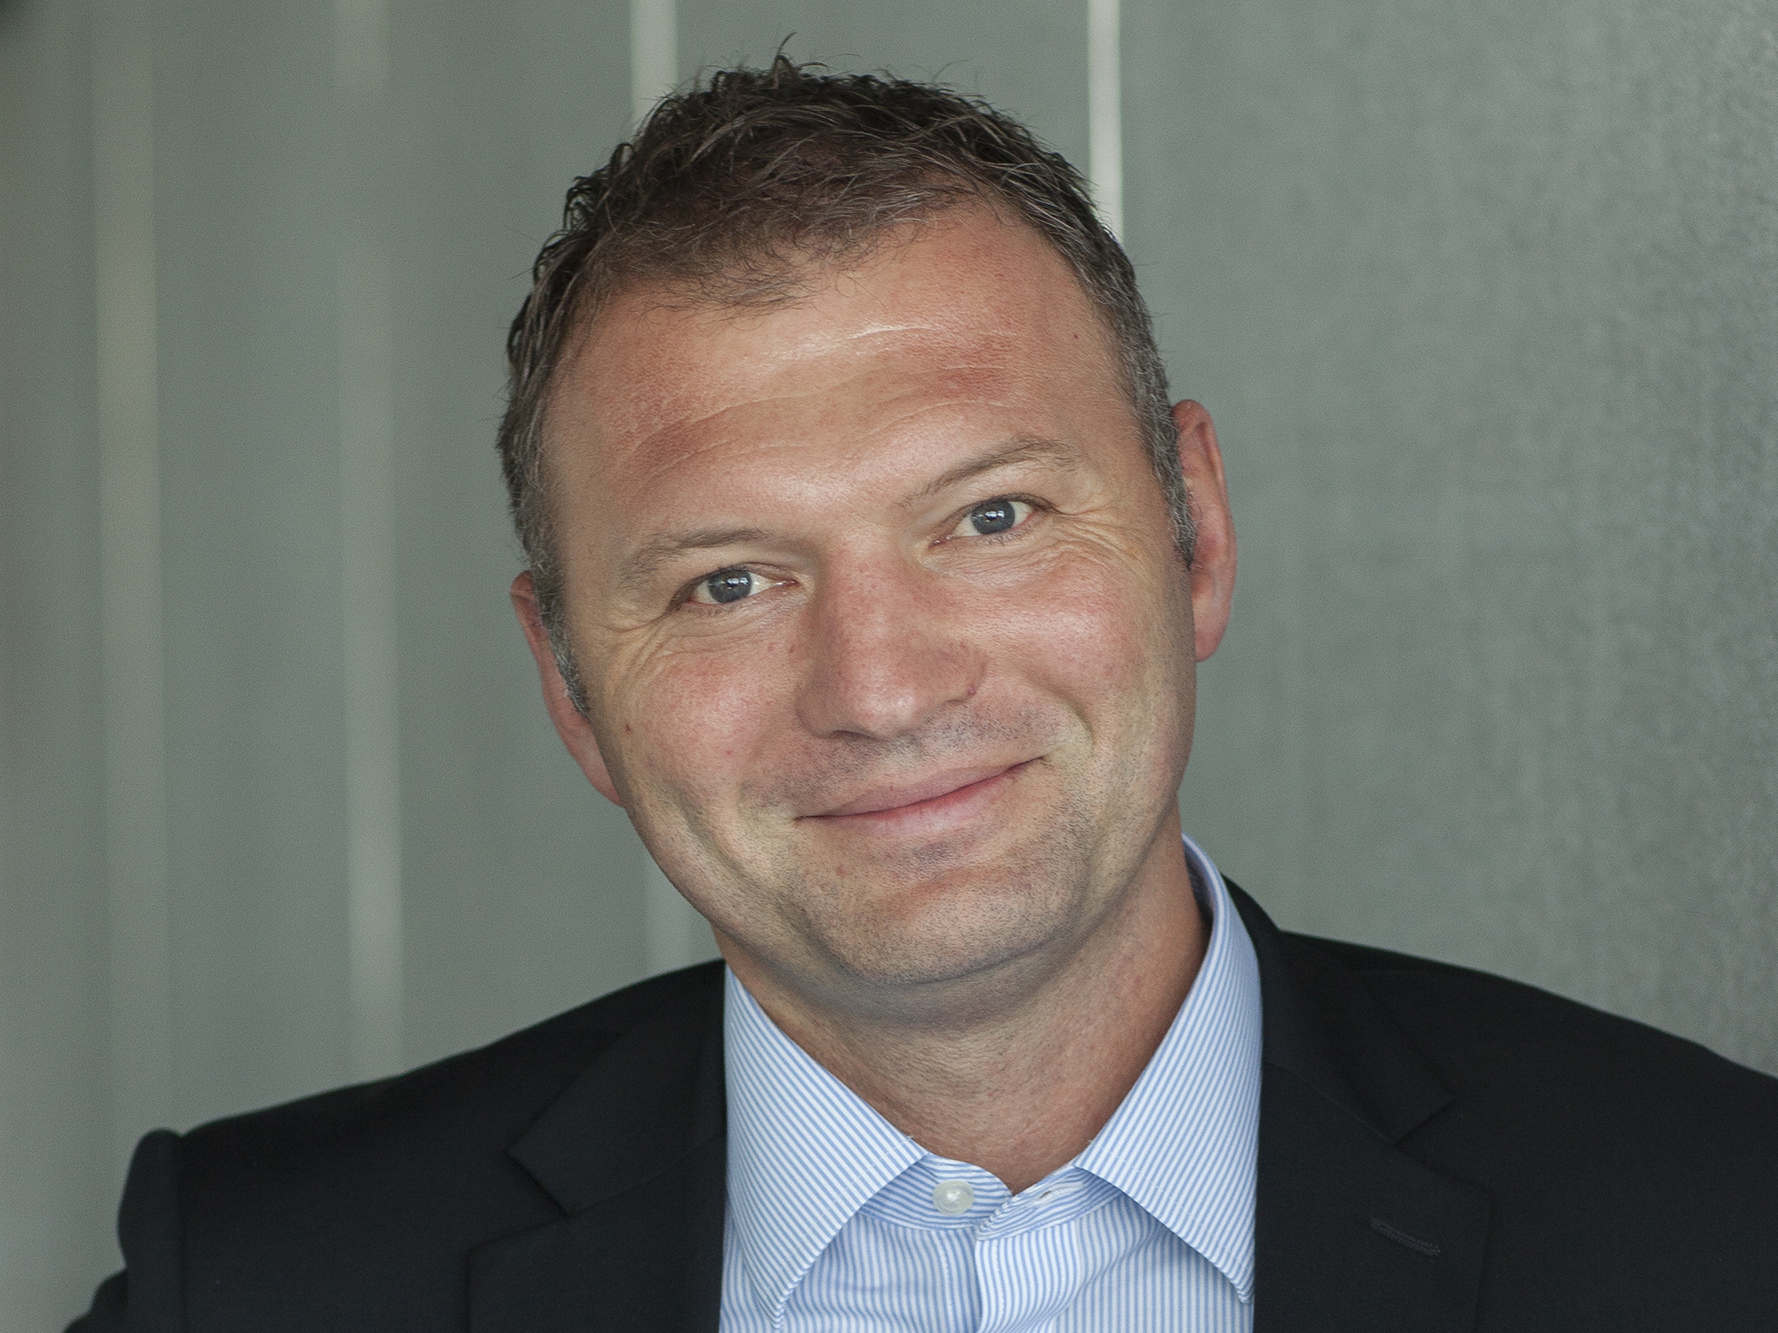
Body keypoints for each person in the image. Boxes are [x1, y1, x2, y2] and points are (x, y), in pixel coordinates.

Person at [72, 58, 1777, 1333]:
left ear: (1191, 535)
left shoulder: (1716, 1222)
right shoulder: (263, 1278)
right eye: (728, 581)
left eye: (991, 517)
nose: (880, 689)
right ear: (572, 688)